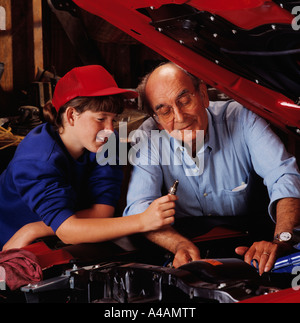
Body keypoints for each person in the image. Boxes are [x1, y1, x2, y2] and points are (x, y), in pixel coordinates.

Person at [123, 62, 300, 275]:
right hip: (184, 245)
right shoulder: (149, 136)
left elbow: (284, 176)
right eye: (165, 110)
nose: (179, 118)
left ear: (203, 95)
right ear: (158, 121)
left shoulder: (242, 118)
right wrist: (177, 245)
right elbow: (138, 207)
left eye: (184, 100)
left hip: (251, 244)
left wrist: (282, 240)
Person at [0, 65, 177, 251]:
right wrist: (142, 220)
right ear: (71, 116)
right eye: (101, 119)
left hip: (59, 238)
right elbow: (67, 230)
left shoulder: (107, 141)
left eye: (113, 119)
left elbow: (103, 211)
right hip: (11, 246)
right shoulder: (36, 160)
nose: (110, 129)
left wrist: (34, 229)